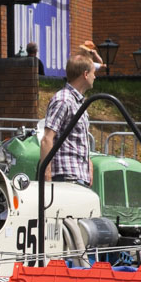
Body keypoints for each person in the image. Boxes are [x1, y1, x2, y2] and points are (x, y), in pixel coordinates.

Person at [40, 54, 95, 187]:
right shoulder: (63, 100)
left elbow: (77, 140)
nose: (95, 77)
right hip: (65, 176)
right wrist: (46, 175)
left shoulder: (79, 102)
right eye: (94, 73)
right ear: (85, 74)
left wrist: (89, 164)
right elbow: (47, 139)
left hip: (78, 175)